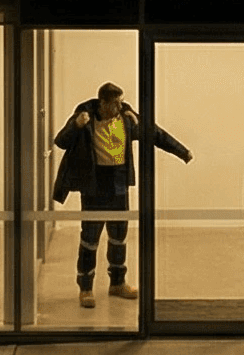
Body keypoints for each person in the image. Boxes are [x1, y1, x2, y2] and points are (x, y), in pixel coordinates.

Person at [50, 80, 192, 309]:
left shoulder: (126, 118)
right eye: (115, 103)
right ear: (103, 103)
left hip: (118, 183)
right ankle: (85, 287)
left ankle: (117, 282)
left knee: (118, 236)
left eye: (121, 102)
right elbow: (61, 141)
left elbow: (154, 132)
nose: (120, 106)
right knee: (90, 238)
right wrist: (76, 125)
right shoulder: (85, 116)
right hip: (94, 185)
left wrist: (182, 151)